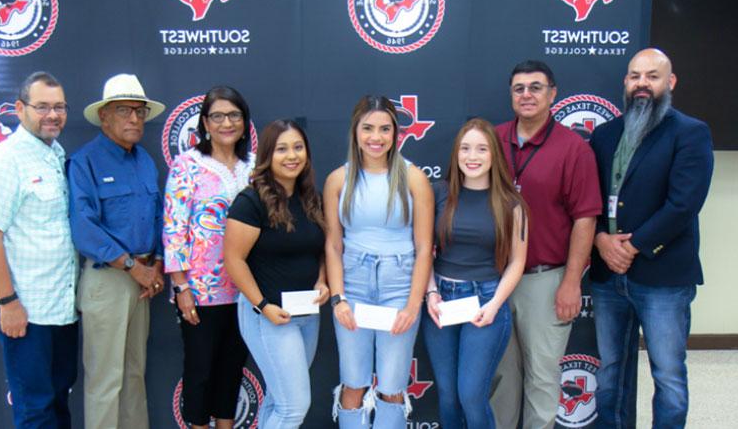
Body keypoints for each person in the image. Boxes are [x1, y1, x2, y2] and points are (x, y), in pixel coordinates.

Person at [589, 48, 714, 428]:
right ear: (625, 83)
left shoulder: (690, 132)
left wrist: (633, 245)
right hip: (608, 277)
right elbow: (588, 199)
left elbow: (684, 204)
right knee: (611, 372)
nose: (642, 83)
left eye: (652, 76)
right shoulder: (604, 135)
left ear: (670, 82)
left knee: (668, 375)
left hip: (663, 278)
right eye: (634, 76)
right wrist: (599, 240)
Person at [490, 60, 601, 429]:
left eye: (536, 87)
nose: (527, 95)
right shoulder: (492, 140)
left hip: (544, 278)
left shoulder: (573, 149)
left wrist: (571, 282)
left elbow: (585, 219)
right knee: (501, 379)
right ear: (511, 95)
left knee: (541, 377)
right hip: (495, 280)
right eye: (519, 88)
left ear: (552, 94)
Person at [0, 71, 78, 429]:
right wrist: (7, 302)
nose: (53, 115)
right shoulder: (4, 160)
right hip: (24, 309)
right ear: (19, 109)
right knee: (35, 410)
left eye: (59, 107)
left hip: (59, 308)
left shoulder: (55, 155)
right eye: (42, 106)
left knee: (58, 400)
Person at [324, 95, 434, 428]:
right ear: (355, 131)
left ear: (395, 133)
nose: (376, 137)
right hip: (353, 284)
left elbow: (424, 246)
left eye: (385, 129)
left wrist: (413, 305)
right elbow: (333, 244)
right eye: (368, 128)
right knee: (353, 382)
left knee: (392, 387)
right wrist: (338, 298)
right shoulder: (337, 180)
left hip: (399, 285)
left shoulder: (414, 178)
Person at [68, 73, 166, 429]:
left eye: (139, 112)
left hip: (143, 279)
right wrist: (131, 266)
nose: (134, 119)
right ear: (104, 116)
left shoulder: (144, 161)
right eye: (124, 111)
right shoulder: (85, 162)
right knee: (105, 380)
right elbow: (84, 227)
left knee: (134, 375)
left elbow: (158, 218)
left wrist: (154, 264)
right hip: (108, 280)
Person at [422, 118, 528, 429]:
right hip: (441, 300)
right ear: (456, 154)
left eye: (481, 149)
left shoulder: (511, 204)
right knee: (448, 396)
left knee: (471, 395)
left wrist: (494, 304)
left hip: (485, 301)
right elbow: (424, 250)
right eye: (465, 148)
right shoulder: (439, 193)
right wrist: (430, 292)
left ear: (494, 154)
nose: (473, 156)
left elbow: (517, 262)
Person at [224, 119, 329, 428]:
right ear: (268, 155)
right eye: (282, 149)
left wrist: (323, 280)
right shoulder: (250, 201)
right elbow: (233, 260)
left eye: (298, 147)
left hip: (307, 315)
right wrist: (262, 305)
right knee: (294, 407)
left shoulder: (310, 199)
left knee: (278, 401)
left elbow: (319, 250)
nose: (292, 155)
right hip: (268, 316)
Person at [163, 86, 254, 429]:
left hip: (246, 291)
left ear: (245, 123)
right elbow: (174, 227)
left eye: (234, 115)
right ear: (204, 123)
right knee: (199, 372)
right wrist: (180, 286)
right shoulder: (188, 165)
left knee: (232, 369)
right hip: (200, 292)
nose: (226, 122)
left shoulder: (254, 167)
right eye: (217, 116)